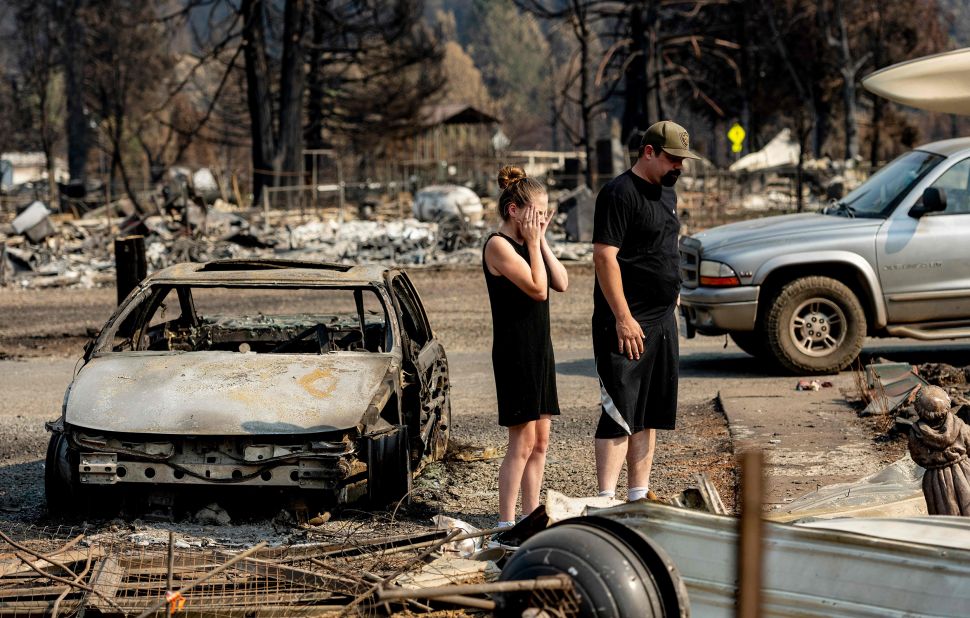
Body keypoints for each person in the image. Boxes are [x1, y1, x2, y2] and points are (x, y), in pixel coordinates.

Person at [591, 120, 700, 502]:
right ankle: (605, 500)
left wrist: (673, 293)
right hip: (626, 320)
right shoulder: (619, 193)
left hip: (661, 318)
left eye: (683, 161)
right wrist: (623, 317)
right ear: (649, 152)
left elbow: (661, 247)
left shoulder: (666, 194)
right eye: (673, 159)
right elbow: (605, 257)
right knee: (620, 411)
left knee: (649, 411)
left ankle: (638, 495)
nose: (679, 167)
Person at [483, 165, 568, 528]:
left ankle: (531, 514)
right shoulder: (498, 246)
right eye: (536, 212)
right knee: (522, 441)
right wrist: (533, 244)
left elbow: (561, 281)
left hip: (539, 349)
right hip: (515, 351)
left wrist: (541, 240)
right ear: (514, 210)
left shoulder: (530, 243)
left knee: (541, 440)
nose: (542, 219)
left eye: (546, 213)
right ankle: (505, 522)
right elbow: (538, 288)